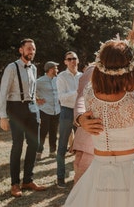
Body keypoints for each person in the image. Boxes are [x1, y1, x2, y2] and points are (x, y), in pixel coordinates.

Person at [63, 30, 134, 207]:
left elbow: (115, 68)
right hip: (130, 173)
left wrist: (128, 44)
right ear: (131, 70)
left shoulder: (89, 94)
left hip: (99, 170)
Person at [0, 38, 46, 197]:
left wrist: (35, 98)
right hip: (15, 108)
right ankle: (14, 184)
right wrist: (3, 116)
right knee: (17, 145)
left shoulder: (34, 68)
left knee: (35, 143)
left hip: (32, 108)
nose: (31, 51)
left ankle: (28, 180)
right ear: (21, 50)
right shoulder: (11, 68)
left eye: (33, 49)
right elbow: (3, 92)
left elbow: (30, 89)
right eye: (28, 49)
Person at [56, 51, 82, 188]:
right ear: (65, 62)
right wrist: (77, 92)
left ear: (78, 60)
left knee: (82, 146)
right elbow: (62, 98)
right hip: (66, 112)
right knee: (62, 146)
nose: (72, 61)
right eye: (69, 59)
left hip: (80, 112)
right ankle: (60, 177)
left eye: (74, 58)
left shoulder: (82, 76)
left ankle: (79, 175)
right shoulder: (61, 77)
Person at [72, 64, 95, 184]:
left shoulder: (126, 72)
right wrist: (80, 117)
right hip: (91, 135)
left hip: (115, 144)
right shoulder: (93, 70)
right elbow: (81, 96)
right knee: (84, 182)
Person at [35, 61, 61, 160]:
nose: (57, 70)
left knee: (54, 132)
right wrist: (37, 99)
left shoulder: (57, 80)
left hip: (56, 110)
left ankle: (52, 151)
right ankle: (39, 152)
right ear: (50, 69)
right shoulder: (40, 81)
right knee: (43, 132)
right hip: (45, 110)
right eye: (55, 68)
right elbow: (30, 91)